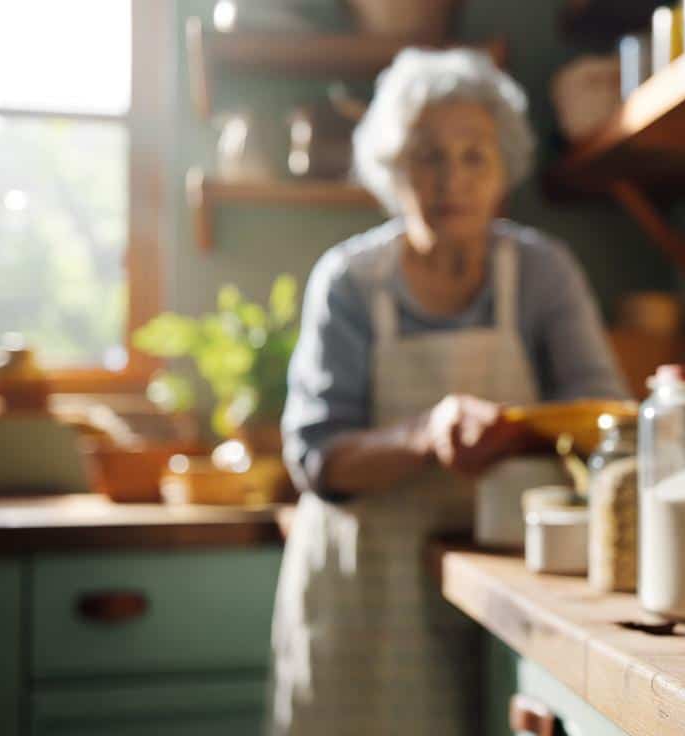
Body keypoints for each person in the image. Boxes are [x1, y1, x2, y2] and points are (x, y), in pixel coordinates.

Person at [269, 49, 627, 735]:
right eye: (427, 156)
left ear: (504, 170)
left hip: (510, 579)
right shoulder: (348, 282)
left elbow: (605, 420)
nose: (450, 180)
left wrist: (513, 431)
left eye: (473, 156)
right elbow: (316, 457)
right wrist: (426, 435)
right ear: (392, 169)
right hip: (365, 594)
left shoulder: (544, 273)